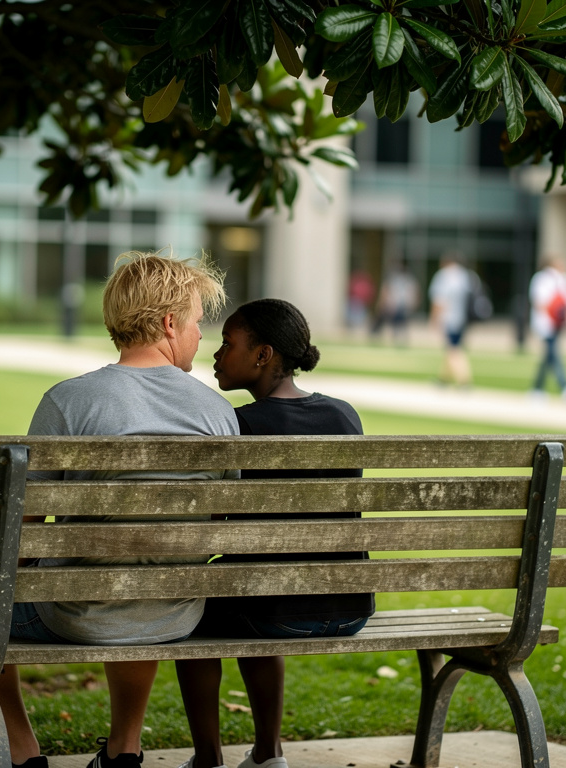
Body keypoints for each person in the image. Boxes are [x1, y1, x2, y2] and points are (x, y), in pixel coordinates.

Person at [0, 250, 239, 768]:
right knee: (136, 589)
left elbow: (20, 534)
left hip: (75, 614)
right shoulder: (217, 412)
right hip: (176, 612)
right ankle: (124, 747)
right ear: (168, 324)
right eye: (195, 322)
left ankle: (24, 750)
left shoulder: (69, 402)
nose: (200, 335)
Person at [174, 298, 374, 768]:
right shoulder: (344, 416)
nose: (217, 355)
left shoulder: (239, 426)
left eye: (228, 345)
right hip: (349, 605)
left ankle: (208, 758)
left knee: (185, 613)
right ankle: (267, 754)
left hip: (278, 609)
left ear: (263, 356)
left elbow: (212, 527)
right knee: (257, 596)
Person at [528, 254, 566, 403]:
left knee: (549, 356)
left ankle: (536, 390)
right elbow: (540, 303)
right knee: (553, 354)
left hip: (558, 324)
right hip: (545, 324)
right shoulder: (542, 279)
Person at [427, 253, 473, 387]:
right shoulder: (464, 276)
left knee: (453, 350)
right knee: (451, 348)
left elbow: (439, 300)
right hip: (462, 318)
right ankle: (443, 379)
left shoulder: (443, 276)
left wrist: (434, 319)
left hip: (448, 318)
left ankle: (464, 380)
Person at [370, 264, 418, 344]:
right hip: (400, 305)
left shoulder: (395, 279)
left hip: (396, 304)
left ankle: (395, 337)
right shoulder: (408, 280)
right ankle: (397, 338)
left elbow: (386, 291)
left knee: (397, 323)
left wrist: (382, 303)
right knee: (398, 323)